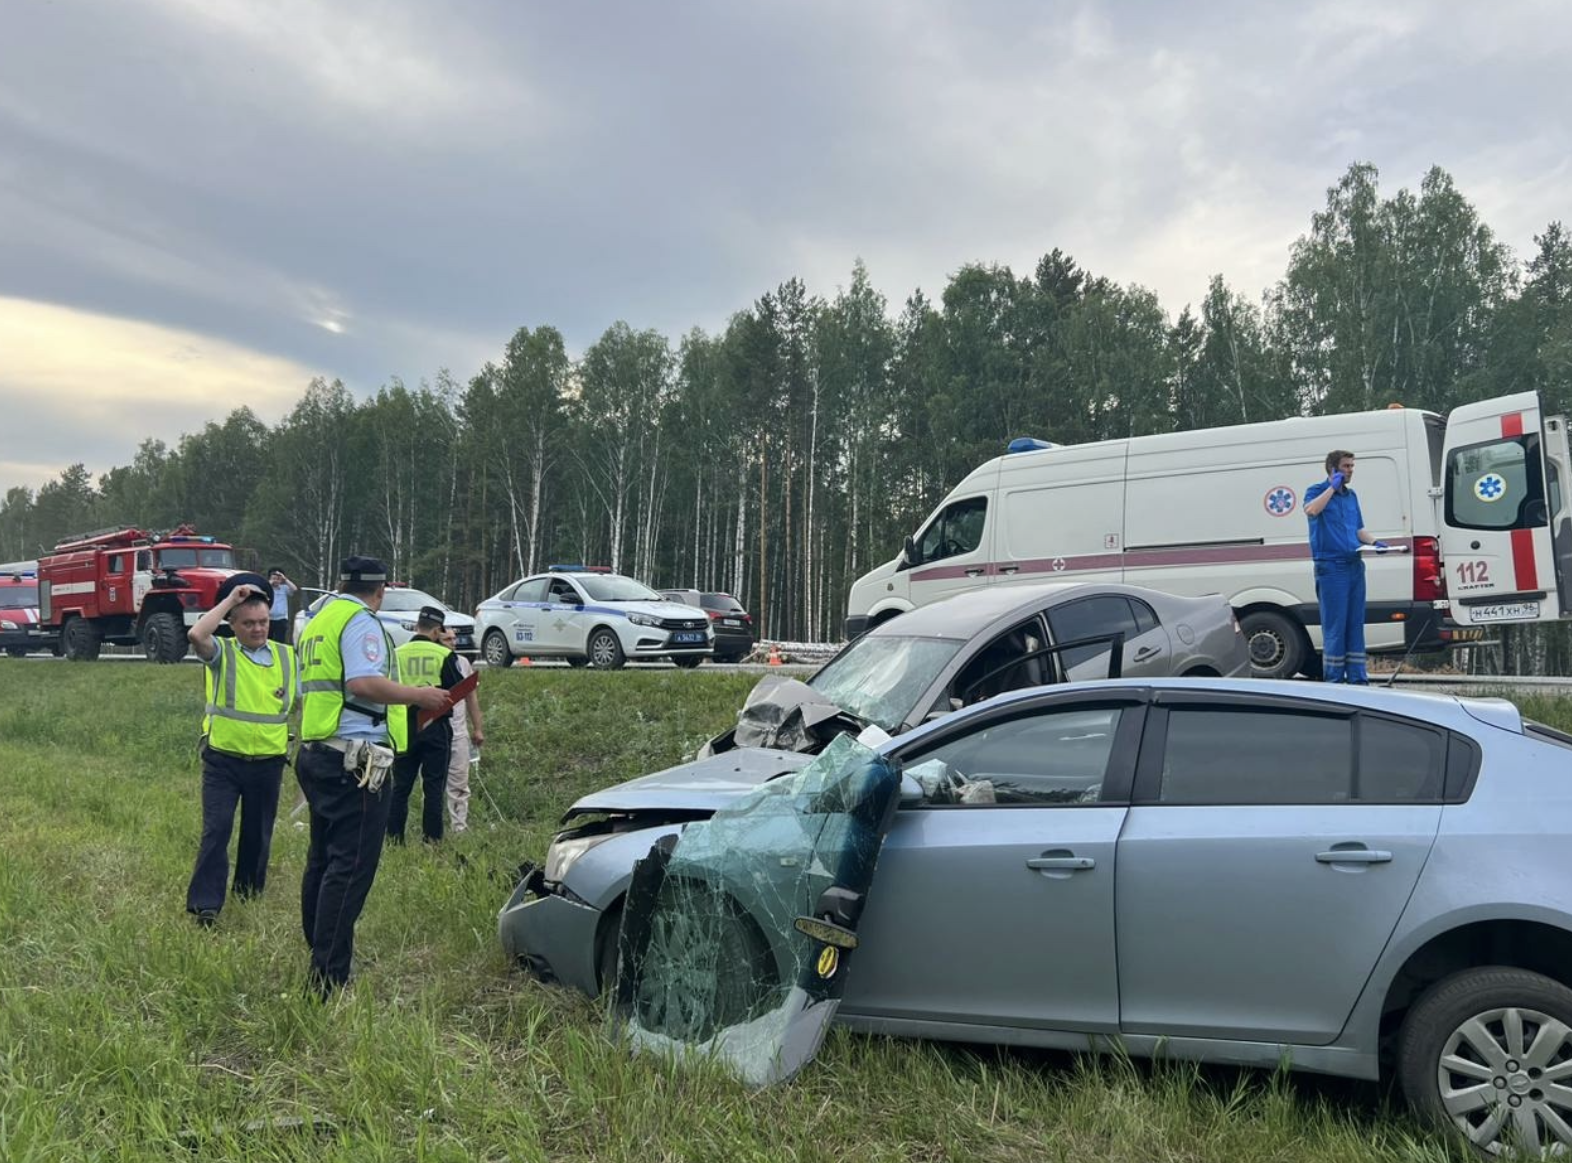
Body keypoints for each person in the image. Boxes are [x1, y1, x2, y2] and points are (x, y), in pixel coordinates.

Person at [295, 555, 449, 996]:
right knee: (351, 868)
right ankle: (328, 977)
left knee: (322, 862)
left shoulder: (321, 619)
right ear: (380, 591)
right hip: (354, 761)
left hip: (318, 750)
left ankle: (320, 950)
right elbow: (364, 683)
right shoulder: (362, 622)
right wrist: (419, 696)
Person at [184, 572, 297, 927]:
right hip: (224, 759)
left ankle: (248, 895)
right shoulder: (223, 652)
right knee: (216, 831)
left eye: (263, 622)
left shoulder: (287, 657)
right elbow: (196, 634)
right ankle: (206, 905)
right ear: (232, 625)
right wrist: (231, 600)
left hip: (268, 761)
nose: (258, 629)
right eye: (248, 623)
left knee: (258, 832)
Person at [1304, 450, 1388, 684]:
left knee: (1354, 623)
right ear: (1333, 469)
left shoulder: (1352, 497)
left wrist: (1374, 542)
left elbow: (1358, 529)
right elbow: (1311, 510)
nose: (1351, 470)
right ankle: (1333, 680)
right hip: (1331, 567)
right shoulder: (1316, 491)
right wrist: (1331, 487)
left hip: (1354, 565)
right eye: (1346, 466)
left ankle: (1358, 679)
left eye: (1352, 466)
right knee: (1335, 626)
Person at [387, 607, 464, 844]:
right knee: (433, 788)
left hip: (403, 727)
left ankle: (393, 838)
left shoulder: (397, 654)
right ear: (436, 630)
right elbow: (457, 689)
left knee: (400, 787)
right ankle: (431, 841)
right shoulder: (443, 655)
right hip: (435, 725)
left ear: (417, 625)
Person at [440, 626, 484, 834]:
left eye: (454, 639)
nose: (453, 642)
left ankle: (459, 828)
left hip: (458, 732)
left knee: (459, 783)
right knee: (433, 784)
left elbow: (472, 699)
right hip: (435, 731)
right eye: (448, 639)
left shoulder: (463, 664)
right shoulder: (434, 661)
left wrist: (477, 728)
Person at [267, 569, 297, 643]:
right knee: (267, 640)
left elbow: (294, 589)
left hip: (281, 619)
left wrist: (285, 579)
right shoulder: (267, 588)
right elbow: (261, 590)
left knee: (280, 640)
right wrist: (269, 584)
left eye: (278, 579)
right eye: (274, 578)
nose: (276, 581)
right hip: (268, 618)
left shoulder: (284, 588)